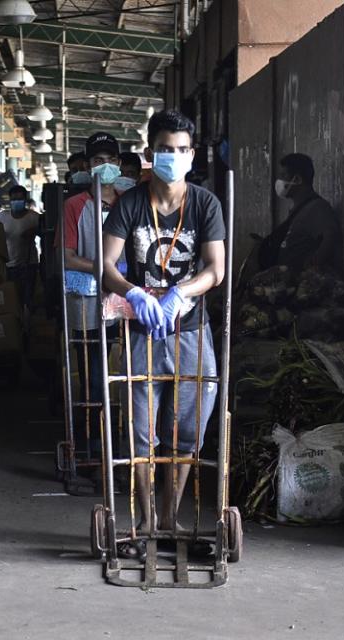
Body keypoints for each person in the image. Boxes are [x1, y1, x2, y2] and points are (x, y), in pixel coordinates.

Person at [102, 110, 226, 548]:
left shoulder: (205, 204)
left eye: (181, 149)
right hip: (142, 332)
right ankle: (146, 522)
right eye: (164, 149)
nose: (173, 157)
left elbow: (216, 269)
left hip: (191, 331)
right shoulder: (130, 204)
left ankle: (171, 521)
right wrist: (134, 293)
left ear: (192, 155)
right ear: (150, 154)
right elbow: (105, 264)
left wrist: (181, 293)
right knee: (140, 432)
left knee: (189, 431)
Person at [61, 132, 123, 460]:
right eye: (97, 161)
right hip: (86, 302)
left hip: (127, 302)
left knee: (125, 372)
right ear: (87, 165)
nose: (104, 166)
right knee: (92, 375)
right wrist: (106, 270)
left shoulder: (130, 201)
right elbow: (68, 256)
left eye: (110, 160)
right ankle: (93, 445)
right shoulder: (75, 206)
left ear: (119, 164)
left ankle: (125, 441)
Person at [260, 153, 342, 275]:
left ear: (297, 179)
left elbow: (330, 236)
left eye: (284, 176)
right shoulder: (298, 209)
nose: (280, 181)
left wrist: (310, 269)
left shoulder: (317, 208)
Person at [0, 184, 40, 317]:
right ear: (9, 200)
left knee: (28, 298)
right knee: (12, 298)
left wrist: (35, 231)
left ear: (25, 200)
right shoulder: (2, 216)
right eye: (13, 199)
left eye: (19, 199)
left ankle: (27, 325)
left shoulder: (34, 217)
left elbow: (45, 235)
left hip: (28, 264)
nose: (16, 202)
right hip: (9, 265)